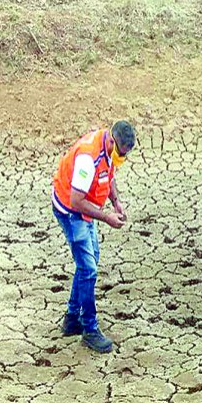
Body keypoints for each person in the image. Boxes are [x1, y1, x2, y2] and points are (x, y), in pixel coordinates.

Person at [51, 121, 136, 353]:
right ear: (112, 141)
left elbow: (109, 173)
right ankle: (89, 329)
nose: (122, 158)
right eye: (122, 153)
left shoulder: (109, 149)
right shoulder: (88, 159)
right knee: (88, 268)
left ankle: (71, 319)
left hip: (84, 206)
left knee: (91, 259)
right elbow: (76, 202)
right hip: (70, 210)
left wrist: (116, 202)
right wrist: (107, 217)